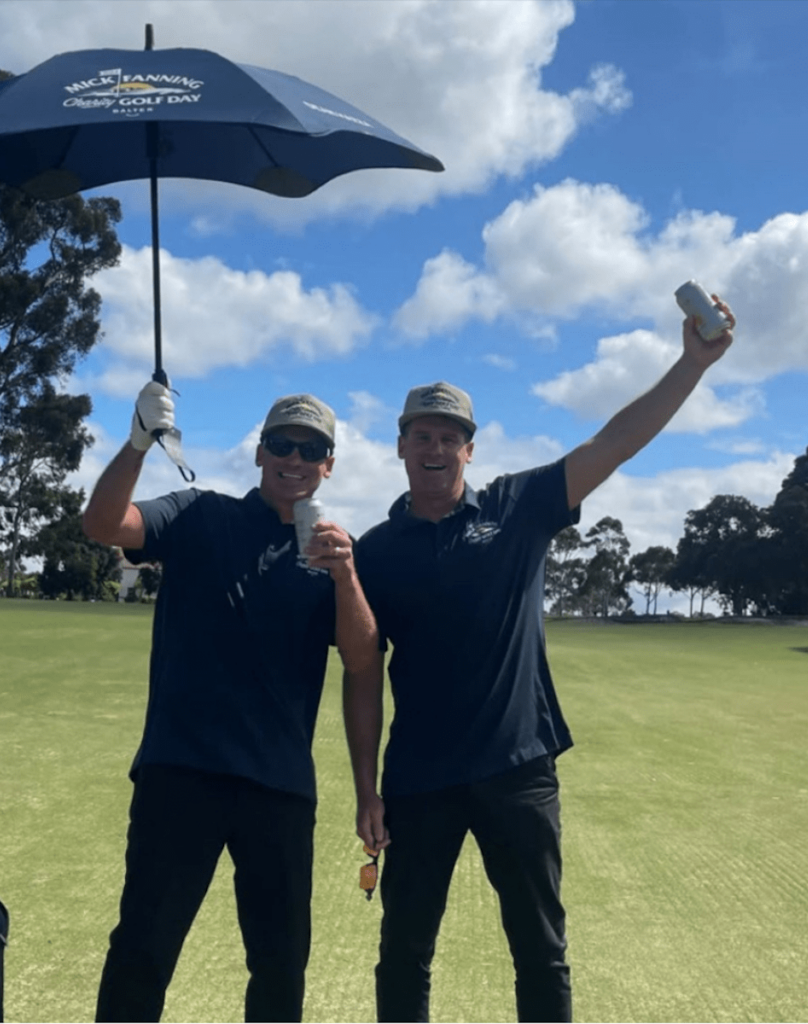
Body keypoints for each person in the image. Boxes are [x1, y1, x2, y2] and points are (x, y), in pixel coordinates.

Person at [346, 298, 736, 1022]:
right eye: (421, 435)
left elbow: (615, 443)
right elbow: (362, 676)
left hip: (519, 770)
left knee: (540, 948)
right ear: (399, 446)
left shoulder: (518, 505)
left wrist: (692, 363)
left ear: (471, 448)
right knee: (404, 951)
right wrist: (366, 789)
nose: (435, 448)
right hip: (419, 779)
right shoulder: (372, 552)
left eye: (450, 437)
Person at [82, 384, 379, 1023]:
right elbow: (105, 525)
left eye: (312, 449)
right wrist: (138, 443)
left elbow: (360, 659)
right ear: (259, 451)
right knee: (142, 952)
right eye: (281, 444)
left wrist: (346, 576)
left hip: (279, 788)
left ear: (329, 465)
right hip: (181, 774)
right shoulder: (199, 514)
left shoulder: (334, 553)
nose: (293, 458)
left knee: (279, 968)